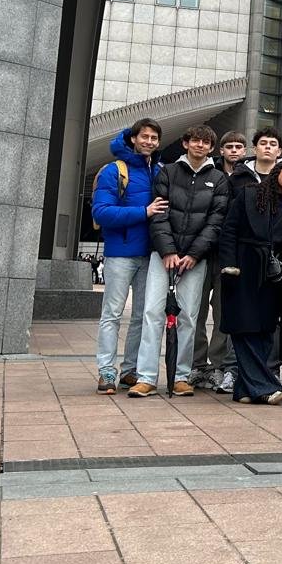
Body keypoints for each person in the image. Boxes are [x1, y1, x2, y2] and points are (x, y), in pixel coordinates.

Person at [128, 124, 229, 397]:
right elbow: (159, 213)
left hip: (195, 260)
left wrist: (194, 254)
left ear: (211, 148)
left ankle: (181, 376)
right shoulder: (167, 172)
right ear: (186, 143)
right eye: (195, 140)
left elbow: (215, 221)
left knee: (188, 317)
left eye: (205, 143)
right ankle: (146, 377)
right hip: (162, 256)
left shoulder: (218, 179)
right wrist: (168, 251)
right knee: (152, 313)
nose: (200, 145)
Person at [218, 157, 282, 404]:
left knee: (265, 329)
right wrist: (229, 265)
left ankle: (244, 390)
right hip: (242, 267)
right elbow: (229, 230)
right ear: (278, 171)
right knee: (244, 327)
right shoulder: (249, 193)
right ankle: (265, 386)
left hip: (272, 272)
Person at [93, 118, 167, 392]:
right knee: (112, 314)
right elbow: (101, 212)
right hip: (121, 253)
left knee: (141, 316)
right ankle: (106, 371)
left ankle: (130, 370)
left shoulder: (159, 170)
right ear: (133, 139)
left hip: (151, 255)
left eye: (154, 138)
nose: (149, 142)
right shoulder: (115, 170)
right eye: (144, 136)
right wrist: (144, 212)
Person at [193, 131, 244, 391]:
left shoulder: (247, 178)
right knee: (196, 310)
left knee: (223, 312)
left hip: (229, 254)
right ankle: (197, 364)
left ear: (244, 151)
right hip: (203, 251)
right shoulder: (208, 174)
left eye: (238, 146)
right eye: (229, 146)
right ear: (221, 150)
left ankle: (218, 366)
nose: (234, 150)